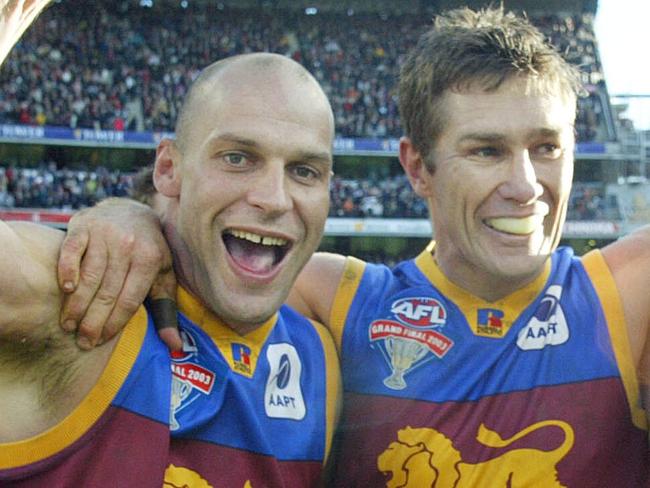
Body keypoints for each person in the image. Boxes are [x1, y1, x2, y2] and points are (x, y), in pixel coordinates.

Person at [62, 6, 650, 486]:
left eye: (547, 147)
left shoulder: (625, 297)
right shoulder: (335, 302)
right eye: (486, 151)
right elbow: (202, 248)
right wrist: (134, 220)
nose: (525, 186)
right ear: (418, 168)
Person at [0, 41, 341, 487]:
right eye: (237, 158)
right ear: (168, 170)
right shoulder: (82, 296)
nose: (275, 199)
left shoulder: (331, 358)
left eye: (305, 171)